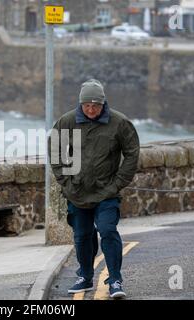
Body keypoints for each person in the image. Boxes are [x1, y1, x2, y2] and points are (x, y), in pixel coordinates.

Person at [49, 79, 140, 299]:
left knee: (108, 231)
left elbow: (132, 153)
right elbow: (55, 152)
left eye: (95, 105)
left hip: (107, 192)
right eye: (86, 105)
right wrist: (66, 183)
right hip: (77, 191)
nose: (90, 109)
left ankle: (116, 280)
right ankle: (86, 276)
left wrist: (118, 183)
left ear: (103, 103)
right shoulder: (67, 121)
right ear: (80, 103)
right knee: (82, 236)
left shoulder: (119, 123)